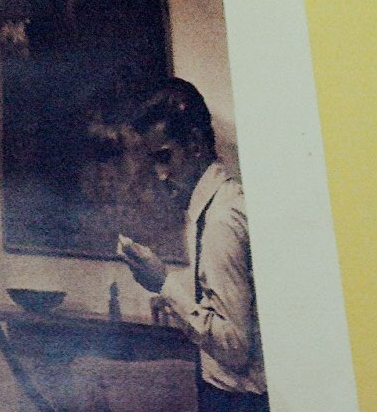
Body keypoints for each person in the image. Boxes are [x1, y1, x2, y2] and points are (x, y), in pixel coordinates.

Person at [115, 78, 268, 409]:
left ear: (196, 144)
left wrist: (167, 286)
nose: (160, 175)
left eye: (165, 157)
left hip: (237, 400)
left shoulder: (221, 220)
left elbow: (236, 349)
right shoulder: (214, 207)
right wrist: (176, 293)